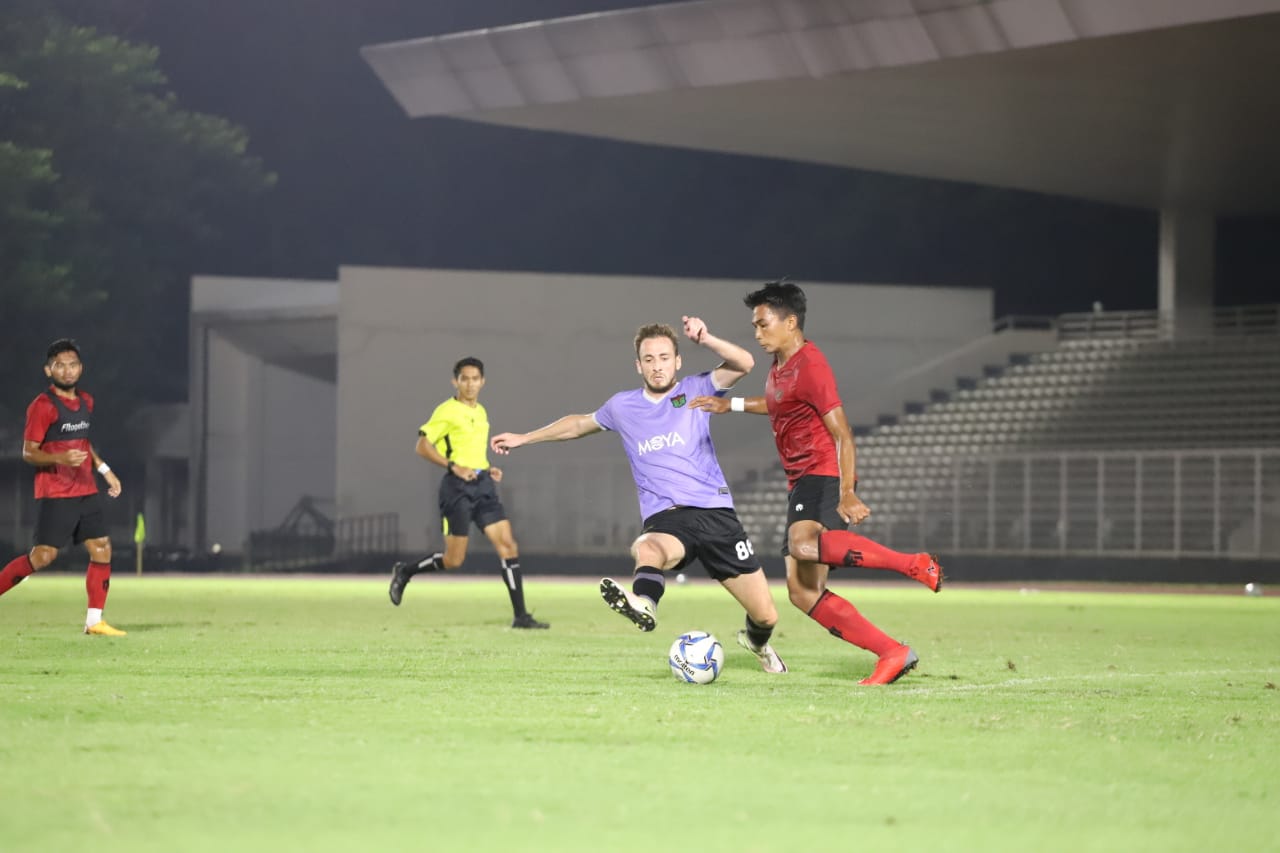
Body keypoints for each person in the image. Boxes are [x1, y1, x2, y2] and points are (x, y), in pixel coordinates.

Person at [491, 317, 787, 674]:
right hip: (668, 519)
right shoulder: (623, 406)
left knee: (766, 615)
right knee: (647, 548)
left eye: (664, 357)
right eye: (649, 359)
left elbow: (744, 363)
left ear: (677, 361)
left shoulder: (697, 389)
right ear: (638, 365)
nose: (657, 366)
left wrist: (706, 338)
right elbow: (578, 424)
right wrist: (524, 438)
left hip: (716, 515)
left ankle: (756, 641)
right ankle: (645, 602)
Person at [690, 281, 942, 685]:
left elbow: (842, 432)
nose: (757, 333)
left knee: (802, 544)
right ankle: (892, 652)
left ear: (791, 322)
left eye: (763, 324)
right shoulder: (780, 367)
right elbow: (776, 404)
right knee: (803, 592)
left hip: (822, 473)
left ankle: (913, 563)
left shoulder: (811, 364)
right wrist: (730, 404)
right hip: (801, 480)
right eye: (754, 325)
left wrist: (846, 491)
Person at [388, 357, 549, 629]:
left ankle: (521, 616)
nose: (470, 383)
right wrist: (454, 467)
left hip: (483, 485)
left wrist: (488, 468)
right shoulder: (447, 411)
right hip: (456, 490)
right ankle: (406, 571)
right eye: (465, 378)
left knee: (508, 546)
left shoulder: (481, 411)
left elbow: (472, 451)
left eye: (475, 379)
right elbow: (422, 446)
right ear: (456, 381)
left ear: (483, 381)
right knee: (454, 560)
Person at [0, 339, 126, 635]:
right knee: (43, 557)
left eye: (72, 365)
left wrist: (105, 470)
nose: (67, 371)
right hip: (56, 492)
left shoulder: (86, 401)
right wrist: (60, 457)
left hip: (86, 491)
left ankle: (94, 622)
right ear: (48, 370)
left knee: (102, 548)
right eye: (60, 365)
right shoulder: (42, 406)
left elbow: (84, 443)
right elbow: (29, 452)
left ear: (80, 368)